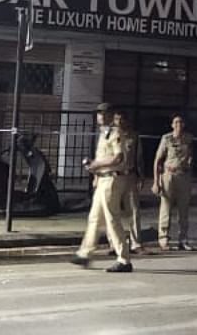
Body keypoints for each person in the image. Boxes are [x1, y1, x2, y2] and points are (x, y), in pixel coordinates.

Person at [72, 103, 133, 273]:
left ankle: (124, 259)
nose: (100, 116)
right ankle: (85, 253)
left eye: (104, 113)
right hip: (103, 179)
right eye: (99, 113)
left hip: (112, 179)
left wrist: (96, 165)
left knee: (112, 219)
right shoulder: (103, 134)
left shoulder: (115, 133)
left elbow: (118, 158)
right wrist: (96, 174)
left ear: (110, 115)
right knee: (94, 217)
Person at [153, 113, 195, 251]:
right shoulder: (167, 138)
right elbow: (158, 160)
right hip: (169, 175)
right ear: (172, 125)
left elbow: (190, 155)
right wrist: (156, 181)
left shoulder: (188, 138)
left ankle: (183, 239)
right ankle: (163, 238)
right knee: (166, 207)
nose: (179, 125)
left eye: (181, 122)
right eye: (176, 122)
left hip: (183, 175)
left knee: (184, 209)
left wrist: (189, 164)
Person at [113, 111, 143, 253]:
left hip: (129, 176)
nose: (119, 122)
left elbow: (139, 157)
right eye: (117, 119)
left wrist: (140, 176)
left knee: (134, 210)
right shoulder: (109, 136)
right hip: (113, 176)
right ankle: (114, 244)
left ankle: (135, 243)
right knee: (113, 211)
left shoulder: (133, 136)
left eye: (121, 119)